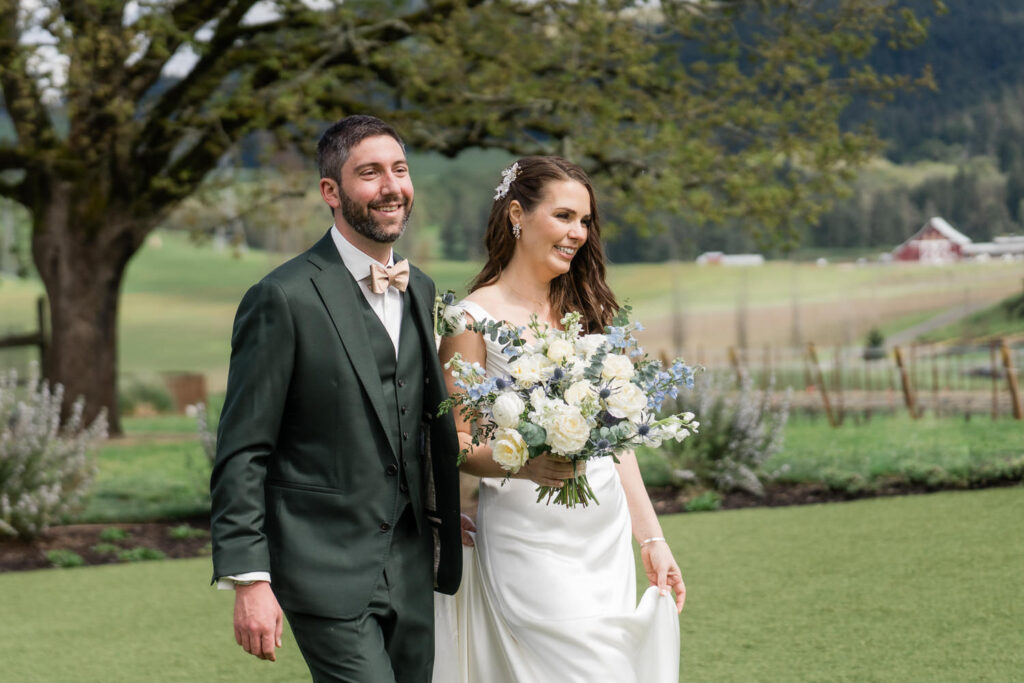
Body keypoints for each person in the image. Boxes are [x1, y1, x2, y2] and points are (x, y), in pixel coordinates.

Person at [210, 114, 465, 682]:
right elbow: (243, 449)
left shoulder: (420, 288)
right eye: (369, 173)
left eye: (399, 169)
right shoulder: (282, 297)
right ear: (331, 191)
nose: (391, 186)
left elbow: (421, 422)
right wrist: (250, 579)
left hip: (412, 559)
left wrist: (450, 506)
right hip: (321, 563)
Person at [433, 156, 686, 683]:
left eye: (585, 222)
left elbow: (617, 444)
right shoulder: (468, 320)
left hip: (603, 532)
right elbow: (452, 439)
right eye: (566, 216)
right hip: (529, 538)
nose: (578, 233)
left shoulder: (586, 314)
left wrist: (652, 539)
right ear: (518, 215)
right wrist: (523, 466)